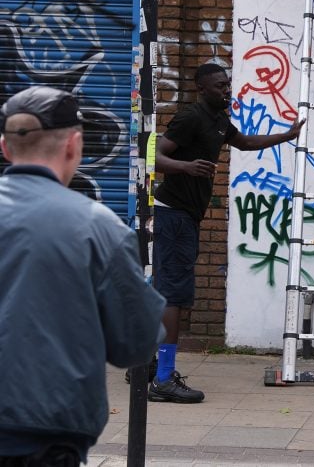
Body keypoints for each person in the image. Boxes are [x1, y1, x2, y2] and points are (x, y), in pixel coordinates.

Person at [0, 86, 166, 464]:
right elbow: (135, 345)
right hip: (45, 433)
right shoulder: (97, 228)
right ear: (73, 146)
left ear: (5, 148)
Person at [149, 63, 303, 403]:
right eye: (220, 86)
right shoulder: (190, 117)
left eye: (228, 83)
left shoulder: (218, 119)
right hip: (172, 215)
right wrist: (186, 167)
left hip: (186, 216)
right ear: (202, 89)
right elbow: (153, 156)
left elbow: (244, 142)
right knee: (173, 295)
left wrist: (286, 136)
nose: (227, 89)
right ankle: (162, 379)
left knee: (167, 292)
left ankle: (147, 364)